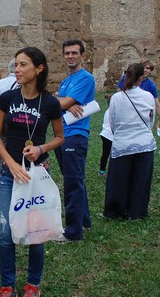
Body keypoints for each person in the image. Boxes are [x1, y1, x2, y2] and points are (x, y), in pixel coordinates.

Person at [0, 47, 64, 297]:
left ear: (39, 68)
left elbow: (59, 137)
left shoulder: (51, 103)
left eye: (23, 65)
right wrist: (10, 163)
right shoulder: (7, 99)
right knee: (5, 231)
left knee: (36, 231)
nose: (17, 70)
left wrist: (41, 148)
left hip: (37, 175)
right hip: (9, 174)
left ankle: (33, 284)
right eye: (16, 65)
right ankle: (7, 284)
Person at [54, 39, 95, 242]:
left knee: (72, 183)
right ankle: (84, 222)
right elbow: (62, 102)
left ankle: (73, 232)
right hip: (62, 136)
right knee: (74, 180)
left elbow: (64, 101)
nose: (70, 56)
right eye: (67, 53)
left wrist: (63, 103)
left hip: (75, 135)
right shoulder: (65, 81)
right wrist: (63, 103)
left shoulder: (85, 78)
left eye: (74, 53)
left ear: (82, 55)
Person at [103, 63, 156, 220]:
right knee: (141, 180)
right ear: (141, 78)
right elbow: (150, 122)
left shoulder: (116, 98)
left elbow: (111, 122)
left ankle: (116, 211)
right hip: (145, 144)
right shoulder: (148, 97)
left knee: (118, 180)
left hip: (122, 143)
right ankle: (137, 212)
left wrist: (120, 134)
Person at [118, 59, 160, 124]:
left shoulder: (151, 85)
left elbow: (157, 105)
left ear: (151, 71)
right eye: (143, 67)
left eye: (148, 68)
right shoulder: (126, 79)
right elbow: (119, 94)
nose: (145, 70)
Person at [98, 94, 112, 177]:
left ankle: (102, 171)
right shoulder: (113, 111)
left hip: (104, 134)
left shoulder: (108, 111)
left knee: (105, 153)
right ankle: (105, 171)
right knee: (110, 154)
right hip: (109, 135)